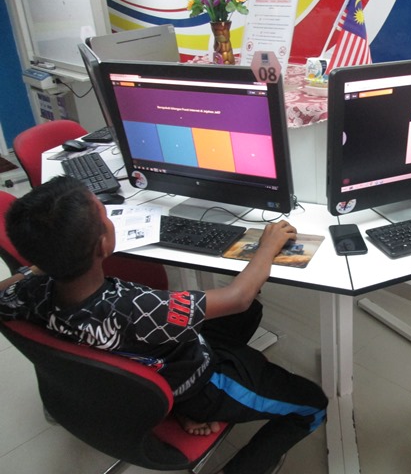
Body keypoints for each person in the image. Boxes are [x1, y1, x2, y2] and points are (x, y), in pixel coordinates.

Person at [0, 175, 328, 474]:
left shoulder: (31, 294)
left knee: (247, 312)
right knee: (312, 405)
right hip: (198, 381)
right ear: (103, 245)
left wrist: (40, 266)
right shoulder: (140, 309)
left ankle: (186, 405)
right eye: (105, 216)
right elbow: (237, 297)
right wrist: (268, 246)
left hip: (148, 366)